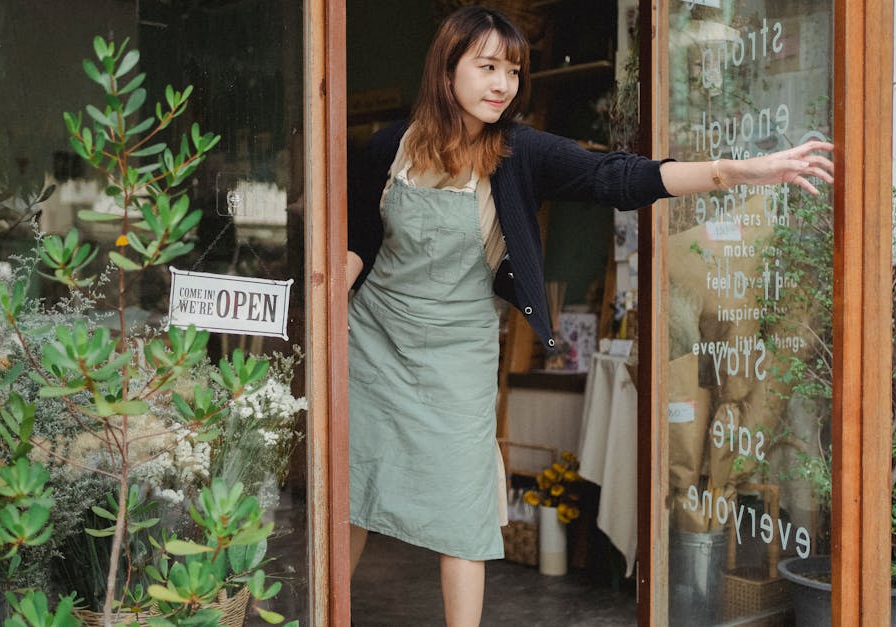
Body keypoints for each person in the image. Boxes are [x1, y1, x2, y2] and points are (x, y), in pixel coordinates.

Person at [344, 6, 833, 626]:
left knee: (462, 512)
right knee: (351, 494)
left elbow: (617, 176)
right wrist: (330, 296)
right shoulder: (392, 146)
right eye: (487, 67)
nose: (503, 85)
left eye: (514, 71)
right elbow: (360, 235)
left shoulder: (519, 152)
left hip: (457, 350)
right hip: (375, 341)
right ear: (447, 71)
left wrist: (740, 171)